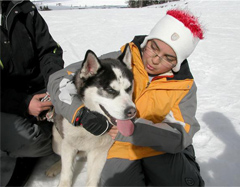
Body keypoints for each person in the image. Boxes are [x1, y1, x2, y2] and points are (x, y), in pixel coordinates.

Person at [47, 9, 205, 186]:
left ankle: (186, 158)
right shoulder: (116, 62)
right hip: (117, 148)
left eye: (168, 57)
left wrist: (136, 131)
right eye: (154, 48)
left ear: (178, 62)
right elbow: (59, 80)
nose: (155, 60)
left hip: (157, 147)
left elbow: (182, 132)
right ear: (147, 41)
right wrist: (80, 113)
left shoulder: (183, 85)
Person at [0, 0, 64, 186]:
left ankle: (47, 136)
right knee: (20, 137)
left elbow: (49, 51)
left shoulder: (25, 9)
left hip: (41, 93)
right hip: (8, 102)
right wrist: (23, 103)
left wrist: (53, 84)